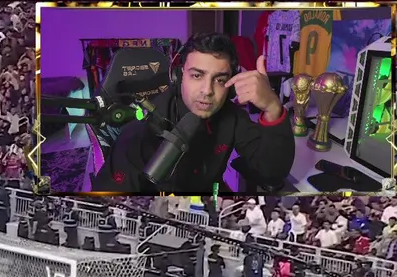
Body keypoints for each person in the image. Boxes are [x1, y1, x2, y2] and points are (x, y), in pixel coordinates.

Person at [92, 33, 294, 193]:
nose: (207, 91)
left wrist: (272, 108)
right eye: (197, 75)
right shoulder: (141, 129)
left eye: (220, 80)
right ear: (179, 77)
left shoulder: (232, 116)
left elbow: (272, 173)